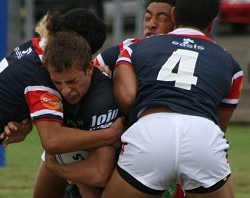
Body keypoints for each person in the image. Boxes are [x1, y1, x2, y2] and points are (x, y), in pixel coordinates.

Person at [0, 8, 124, 198]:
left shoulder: (33, 48)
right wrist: (109, 135)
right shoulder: (42, 73)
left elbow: (7, 95)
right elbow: (52, 140)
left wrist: (22, 120)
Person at [102, 0, 244, 197]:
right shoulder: (231, 64)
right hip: (202, 135)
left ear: (174, 15)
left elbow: (127, 97)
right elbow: (220, 125)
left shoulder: (136, 48)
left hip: (150, 131)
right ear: (212, 23)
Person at [93, 1, 185, 197]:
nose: (151, 24)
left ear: (178, 23)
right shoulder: (130, 47)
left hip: (176, 141)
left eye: (162, 18)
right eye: (148, 17)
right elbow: (83, 72)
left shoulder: (193, 54)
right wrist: (97, 75)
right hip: (129, 141)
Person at [30, 30, 119, 198]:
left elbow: (100, 174)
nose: (65, 91)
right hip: (72, 150)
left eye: (72, 82)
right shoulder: (42, 82)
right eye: (58, 83)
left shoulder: (102, 99)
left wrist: (55, 168)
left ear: (90, 68)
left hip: (111, 163)